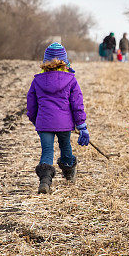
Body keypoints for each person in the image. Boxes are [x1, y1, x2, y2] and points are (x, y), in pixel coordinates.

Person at [26, 43, 90, 194]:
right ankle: (69, 174)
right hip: (64, 124)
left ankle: (45, 182)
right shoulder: (71, 80)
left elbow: (31, 105)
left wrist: (36, 120)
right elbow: (77, 104)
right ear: (65, 62)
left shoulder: (37, 80)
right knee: (65, 147)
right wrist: (81, 125)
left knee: (47, 152)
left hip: (44, 123)